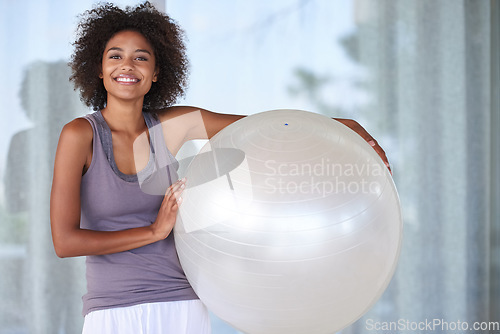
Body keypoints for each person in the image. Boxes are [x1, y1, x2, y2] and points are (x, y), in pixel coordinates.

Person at [50, 2, 391, 334]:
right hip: (112, 309)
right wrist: (154, 231)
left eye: (141, 57)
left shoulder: (173, 125)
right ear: (98, 68)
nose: (128, 66)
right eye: (115, 56)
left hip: (182, 304)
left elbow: (267, 127)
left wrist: (345, 125)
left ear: (156, 73)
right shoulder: (81, 135)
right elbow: (65, 242)